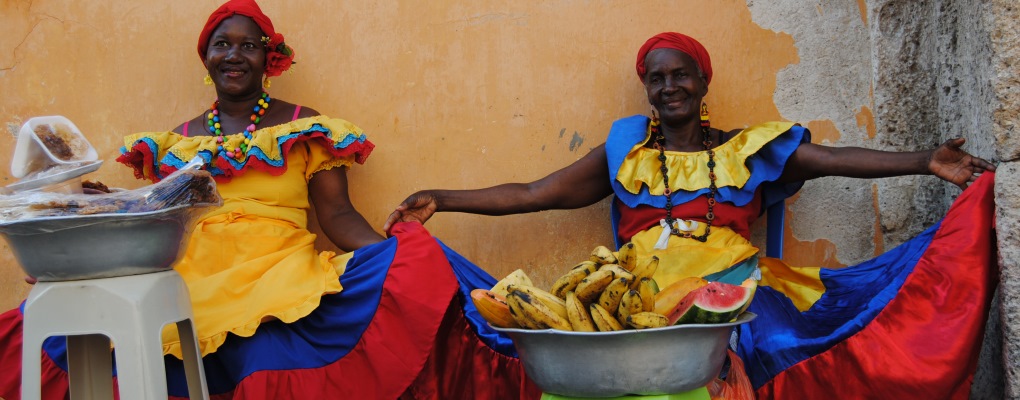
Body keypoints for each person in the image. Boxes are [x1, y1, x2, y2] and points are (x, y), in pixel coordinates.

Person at [385, 32, 999, 398]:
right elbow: (533, 192)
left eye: (681, 75)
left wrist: (926, 161)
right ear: (647, 89)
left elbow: (835, 158)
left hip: (739, 289)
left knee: (781, 344)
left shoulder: (748, 148)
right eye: (657, 78)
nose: (669, 86)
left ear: (703, 82)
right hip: (635, 298)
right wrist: (443, 198)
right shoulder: (626, 151)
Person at [0, 1, 539, 398]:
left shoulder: (307, 126)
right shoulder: (174, 142)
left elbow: (337, 215)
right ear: (206, 58)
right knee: (97, 338)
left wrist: (396, 261)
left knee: (266, 355)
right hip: (194, 275)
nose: (233, 55)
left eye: (248, 45)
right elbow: (161, 211)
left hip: (278, 272)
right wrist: (105, 204)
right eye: (222, 44)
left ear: (268, 57)